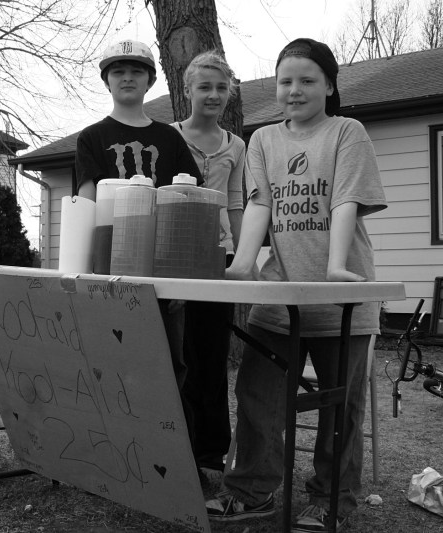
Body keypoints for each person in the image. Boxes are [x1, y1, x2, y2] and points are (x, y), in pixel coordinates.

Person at [204, 38, 387, 533]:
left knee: (339, 407)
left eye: (307, 80)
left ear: (329, 85)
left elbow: (344, 199)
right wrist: (243, 264)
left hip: (342, 298)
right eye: (286, 81)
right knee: (259, 397)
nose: (295, 90)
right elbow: (261, 205)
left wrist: (332, 267)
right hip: (278, 298)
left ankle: (332, 499)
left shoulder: (347, 132)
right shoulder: (262, 140)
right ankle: (250, 490)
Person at [74, 38, 201, 401]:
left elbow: (187, 203)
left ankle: (169, 448)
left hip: (162, 265)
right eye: (118, 71)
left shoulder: (169, 138)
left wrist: (181, 278)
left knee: (168, 362)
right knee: (111, 360)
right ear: (106, 81)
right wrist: (86, 268)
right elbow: (86, 200)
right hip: (109, 264)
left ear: (150, 81)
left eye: (136, 71)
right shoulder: (92, 138)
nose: (127, 78)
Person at [169, 51, 245, 475]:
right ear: (187, 92)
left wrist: (240, 257)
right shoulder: (168, 136)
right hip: (175, 256)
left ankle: (210, 453)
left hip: (219, 257)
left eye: (220, 88)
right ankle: (175, 447)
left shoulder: (237, 144)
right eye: (204, 87)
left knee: (212, 357)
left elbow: (235, 202)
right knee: (178, 355)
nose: (213, 95)